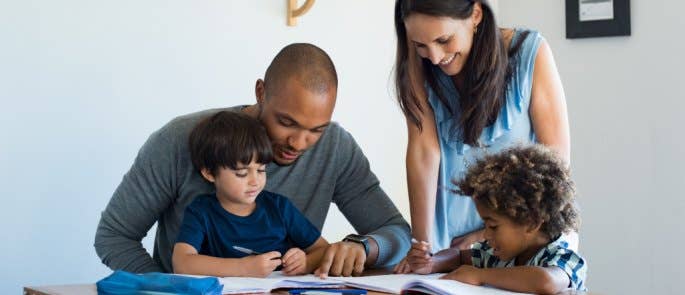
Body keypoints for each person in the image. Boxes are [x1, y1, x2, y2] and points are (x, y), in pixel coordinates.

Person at [95, 43, 410, 277]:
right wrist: (166, 288)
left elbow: (397, 233)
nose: (299, 143)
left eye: (316, 130)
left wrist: (363, 246)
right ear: (261, 92)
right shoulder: (180, 140)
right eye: (286, 123)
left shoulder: (335, 148)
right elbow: (114, 236)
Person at [392, 0, 573, 274]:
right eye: (420, 45)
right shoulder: (420, 65)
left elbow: (556, 168)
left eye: (444, 40)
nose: (435, 56)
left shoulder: (529, 53)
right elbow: (423, 152)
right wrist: (422, 246)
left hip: (526, 244)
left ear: (475, 14)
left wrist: (487, 236)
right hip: (448, 246)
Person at [172, 111, 329, 277]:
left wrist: (305, 262)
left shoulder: (279, 208)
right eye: (242, 173)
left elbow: (323, 249)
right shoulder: (201, 211)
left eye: (261, 170)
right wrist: (243, 268)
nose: (255, 181)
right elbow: (182, 263)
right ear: (210, 173)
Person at [426, 145, 586, 294]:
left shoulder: (563, 256)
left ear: (531, 223)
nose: (486, 235)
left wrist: (480, 275)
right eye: (485, 225)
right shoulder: (495, 254)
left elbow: (545, 281)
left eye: (493, 226)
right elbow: (458, 257)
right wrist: (433, 262)